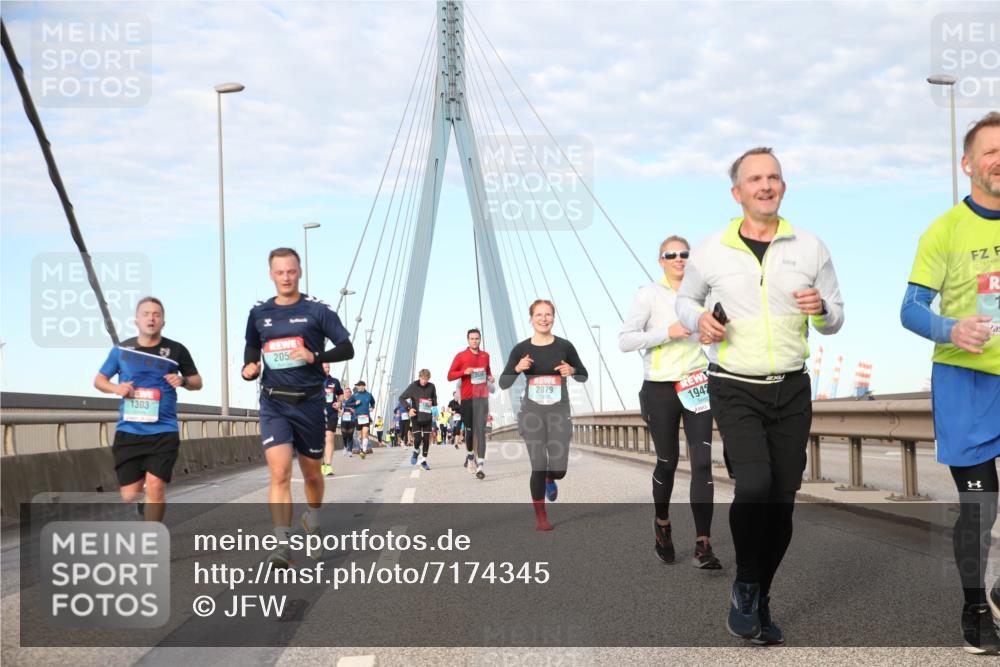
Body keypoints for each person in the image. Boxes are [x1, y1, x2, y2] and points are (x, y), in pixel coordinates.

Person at [676, 147, 844, 645]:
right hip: (734, 384)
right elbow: (686, 300)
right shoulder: (711, 251)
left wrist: (822, 311)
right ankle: (746, 584)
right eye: (755, 180)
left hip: (791, 387)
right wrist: (697, 319)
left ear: (783, 187)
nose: (765, 186)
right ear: (737, 192)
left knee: (783, 503)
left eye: (773, 178)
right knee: (754, 484)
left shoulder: (810, 247)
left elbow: (835, 315)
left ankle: (759, 593)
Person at [900, 112, 1000, 655]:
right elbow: (910, 310)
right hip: (966, 383)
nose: (999, 159)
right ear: (968, 164)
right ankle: (974, 609)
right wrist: (951, 328)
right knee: (981, 507)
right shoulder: (944, 231)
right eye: (989, 151)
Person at [242, 248, 354, 567]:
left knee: (312, 474)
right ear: (271, 275)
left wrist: (315, 357)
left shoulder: (318, 310)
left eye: (291, 271)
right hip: (273, 401)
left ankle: (313, 521)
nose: (286, 277)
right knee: (279, 472)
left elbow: (347, 348)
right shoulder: (259, 313)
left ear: (299, 272)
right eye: (280, 272)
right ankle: (281, 545)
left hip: (310, 402)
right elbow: (252, 348)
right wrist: (248, 369)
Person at [619, 235, 721, 569]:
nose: (679, 258)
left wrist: (712, 335)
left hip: (696, 381)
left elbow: (718, 334)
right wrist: (668, 331)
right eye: (671, 254)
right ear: (661, 260)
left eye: (684, 254)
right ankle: (662, 524)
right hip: (660, 388)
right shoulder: (648, 294)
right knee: (668, 461)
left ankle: (703, 543)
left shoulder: (704, 295)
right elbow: (625, 340)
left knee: (703, 461)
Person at [95, 297, 202, 522]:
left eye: (156, 314)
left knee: (155, 487)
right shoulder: (121, 350)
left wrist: (182, 381)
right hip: (129, 430)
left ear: (163, 321)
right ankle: (142, 501)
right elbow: (99, 380)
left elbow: (197, 382)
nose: (151, 318)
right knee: (129, 494)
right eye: (146, 314)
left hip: (163, 430)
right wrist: (117, 388)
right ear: (136, 320)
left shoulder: (176, 350)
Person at [500, 300, 588, 530]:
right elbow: (503, 382)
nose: (543, 318)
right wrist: (517, 368)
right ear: (531, 318)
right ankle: (541, 516)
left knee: (559, 469)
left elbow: (583, 375)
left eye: (548, 314)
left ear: (553, 318)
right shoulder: (521, 349)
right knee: (538, 464)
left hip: (558, 413)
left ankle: (551, 477)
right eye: (539, 314)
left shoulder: (565, 346)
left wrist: (573, 370)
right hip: (532, 413)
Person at [448, 329, 494, 478]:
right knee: (469, 431)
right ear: (468, 340)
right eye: (472, 338)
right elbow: (449, 376)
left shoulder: (485, 356)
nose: (475, 341)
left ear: (480, 340)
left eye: (477, 338)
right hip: (467, 399)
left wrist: (490, 378)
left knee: (481, 432)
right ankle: (470, 457)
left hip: (482, 398)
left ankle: (480, 466)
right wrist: (463, 372)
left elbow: (488, 372)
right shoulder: (461, 356)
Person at [399, 369, 437, 470]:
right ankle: (416, 451)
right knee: (417, 439)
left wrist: (431, 401)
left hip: (427, 417)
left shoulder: (432, 386)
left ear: (429, 379)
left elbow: (435, 400)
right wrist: (408, 409)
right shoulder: (413, 386)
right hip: (416, 416)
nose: (424, 381)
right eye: (422, 378)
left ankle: (424, 461)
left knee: (426, 440)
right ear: (419, 377)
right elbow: (401, 398)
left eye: (426, 379)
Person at [321, 363, 344, 477]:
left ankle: (329, 465)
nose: (327, 368)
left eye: (328, 367)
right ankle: (322, 463)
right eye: (325, 367)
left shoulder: (335, 381)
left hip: (331, 413)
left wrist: (339, 402)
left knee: (329, 437)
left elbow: (340, 394)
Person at [344, 381, 375, 458]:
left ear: (363, 386)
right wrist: (355, 404)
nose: (357, 387)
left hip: (366, 417)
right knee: (360, 436)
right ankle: (361, 447)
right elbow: (347, 404)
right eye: (357, 386)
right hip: (358, 417)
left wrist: (372, 407)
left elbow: (373, 403)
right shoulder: (355, 395)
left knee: (365, 433)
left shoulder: (369, 395)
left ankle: (363, 451)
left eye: (358, 386)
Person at [339, 387, 356, 457]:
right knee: (344, 435)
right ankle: (345, 447)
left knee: (350, 435)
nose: (347, 393)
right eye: (346, 392)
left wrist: (354, 411)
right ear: (344, 393)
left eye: (349, 392)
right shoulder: (341, 401)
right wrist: (340, 411)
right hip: (344, 420)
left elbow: (357, 410)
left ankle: (350, 450)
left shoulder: (353, 400)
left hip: (351, 420)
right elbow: (339, 410)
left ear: (351, 393)